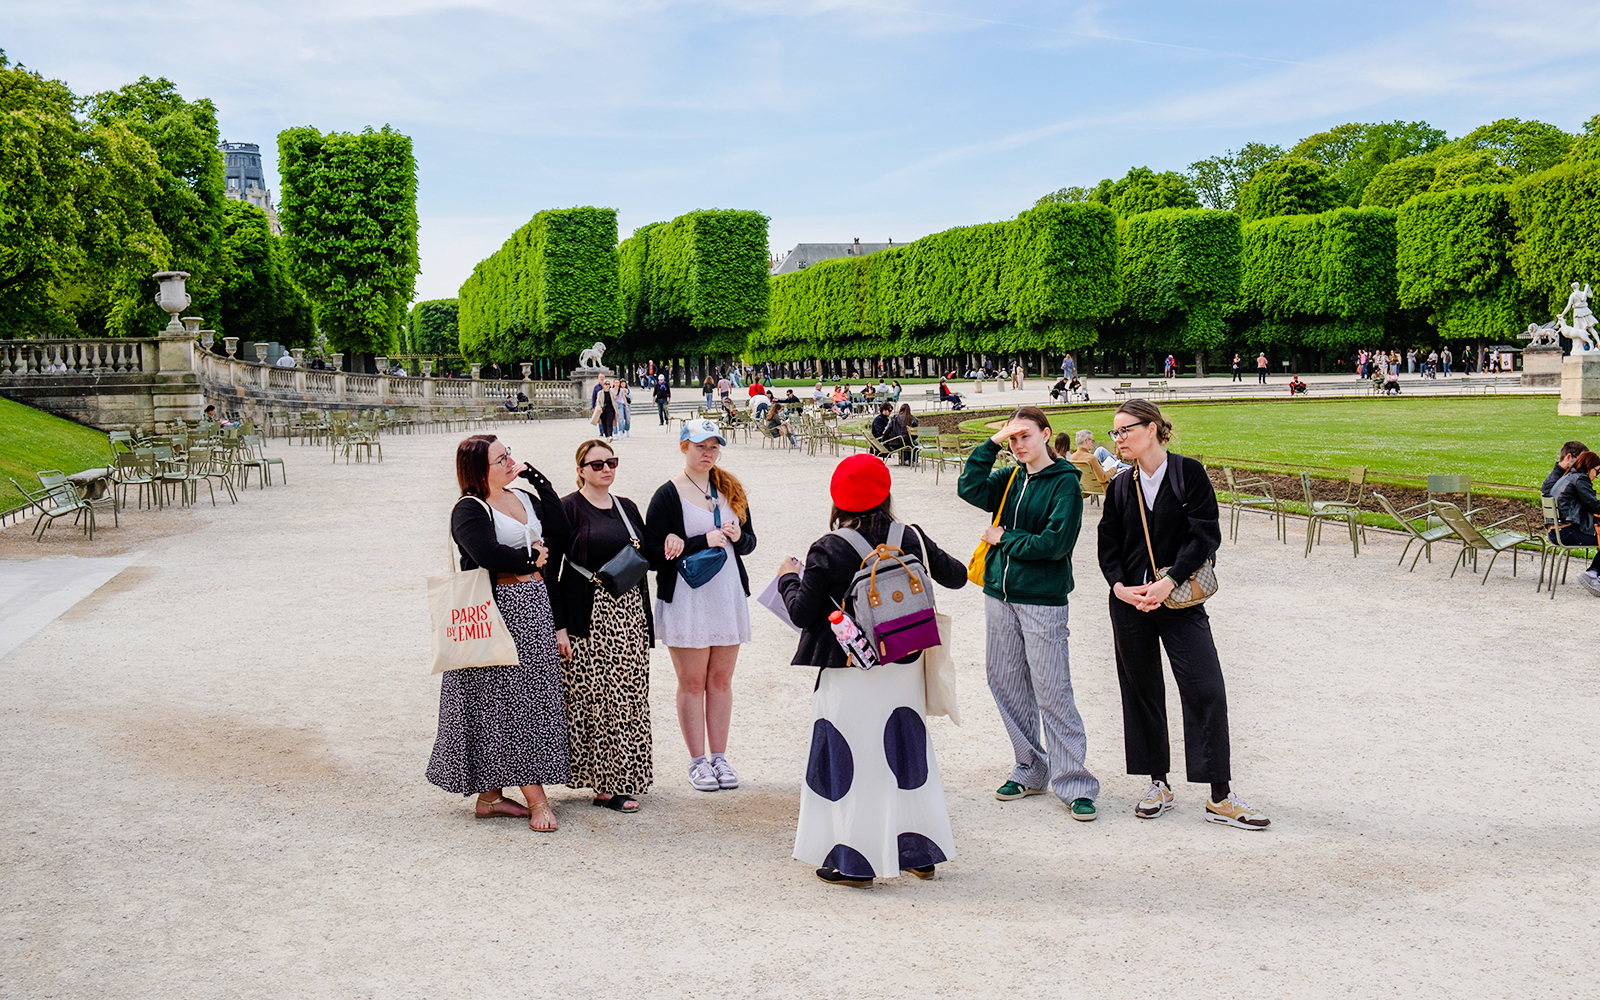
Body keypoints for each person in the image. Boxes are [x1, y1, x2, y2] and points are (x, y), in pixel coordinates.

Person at [777, 455, 968, 887]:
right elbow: (956, 577)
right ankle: (917, 851)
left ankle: (856, 859)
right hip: (904, 661)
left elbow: (804, 614)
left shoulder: (829, 546)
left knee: (855, 758)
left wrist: (789, 577)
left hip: (853, 664)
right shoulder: (911, 536)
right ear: (885, 493)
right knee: (904, 753)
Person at [1098, 400, 1270, 830]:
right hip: (1131, 604)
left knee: (1206, 688)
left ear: (1152, 428)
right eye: (1114, 433)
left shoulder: (1187, 473)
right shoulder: (1121, 485)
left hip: (1179, 601)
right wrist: (1119, 587)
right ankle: (1158, 782)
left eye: (1124, 430)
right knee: (1141, 692)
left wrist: (1170, 580)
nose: (1117, 439)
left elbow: (1205, 535)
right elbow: (1108, 543)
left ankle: (1220, 795)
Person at [957, 406, 1099, 820]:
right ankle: (1030, 766)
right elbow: (968, 488)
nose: (1019, 445)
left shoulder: (1065, 484)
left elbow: (1054, 545)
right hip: (999, 594)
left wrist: (1005, 538)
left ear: (1046, 435)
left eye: (1026, 436)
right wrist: (992, 442)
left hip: (1041, 598)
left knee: (1053, 688)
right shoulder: (1010, 477)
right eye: (1013, 438)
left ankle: (1074, 782)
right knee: (1004, 681)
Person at [428, 435, 572, 833]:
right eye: (500, 459)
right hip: (498, 609)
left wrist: (538, 478)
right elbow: (485, 553)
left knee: (522, 699)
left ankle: (490, 797)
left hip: (534, 603)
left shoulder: (522, 496)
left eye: (509, 454)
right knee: (507, 703)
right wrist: (529, 557)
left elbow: (560, 527)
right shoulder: (469, 509)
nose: (510, 461)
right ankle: (536, 799)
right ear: (478, 470)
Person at [644, 419, 758, 793]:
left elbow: (749, 542)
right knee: (692, 682)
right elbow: (652, 553)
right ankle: (697, 760)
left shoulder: (730, 487)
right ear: (683, 447)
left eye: (712, 446)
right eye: (699, 446)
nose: (707, 453)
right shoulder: (667, 494)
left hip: (725, 594)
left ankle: (720, 756)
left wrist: (739, 537)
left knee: (721, 681)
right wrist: (697, 540)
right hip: (688, 597)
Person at [558, 440, 654, 813]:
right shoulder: (568, 508)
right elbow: (552, 571)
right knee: (595, 698)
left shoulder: (626, 507)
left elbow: (649, 555)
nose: (605, 469)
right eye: (596, 464)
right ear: (580, 469)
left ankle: (624, 777)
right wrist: (559, 626)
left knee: (628, 696)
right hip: (589, 613)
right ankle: (603, 784)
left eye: (611, 461)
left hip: (628, 612)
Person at [1549, 450, 1600, 595]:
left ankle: (1596, 573)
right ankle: (1592, 573)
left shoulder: (1568, 476)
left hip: (1556, 532)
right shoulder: (1581, 479)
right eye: (1597, 471)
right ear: (1589, 466)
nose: (1596, 476)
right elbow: (1594, 505)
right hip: (1567, 532)